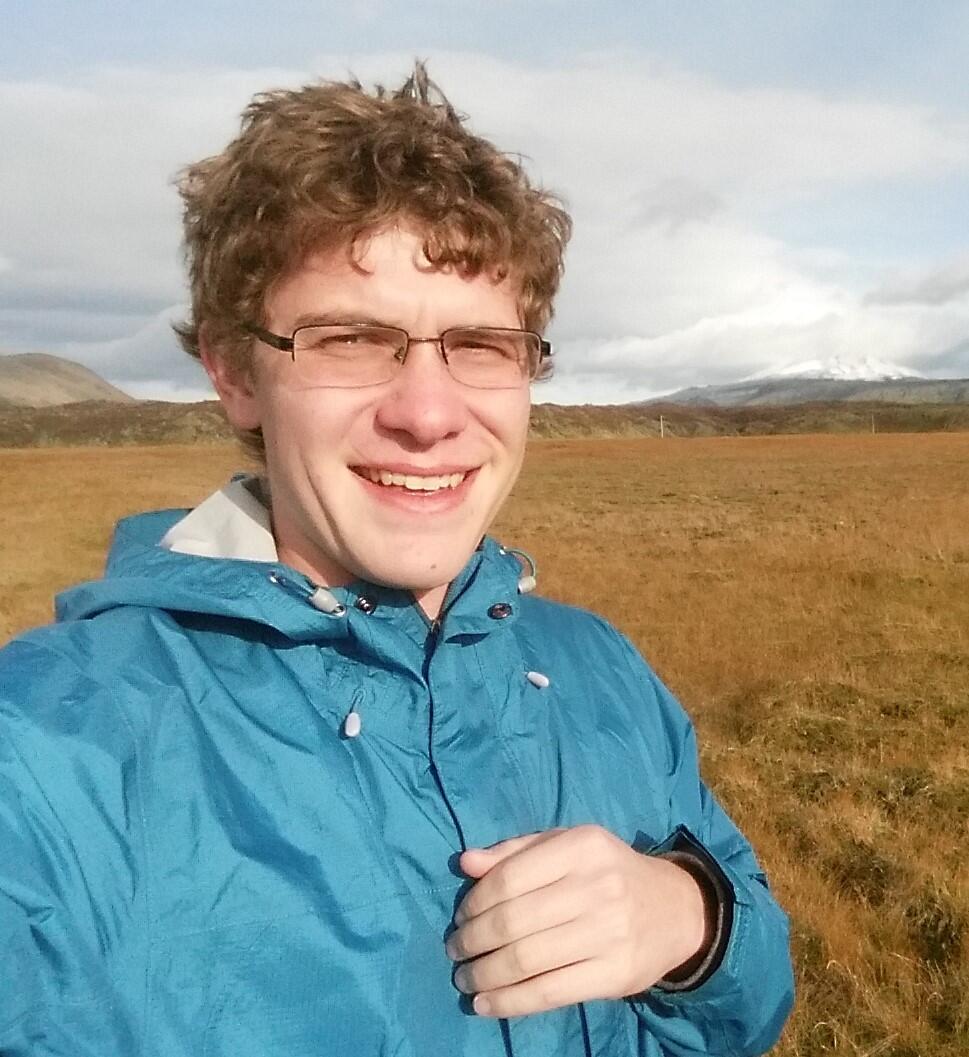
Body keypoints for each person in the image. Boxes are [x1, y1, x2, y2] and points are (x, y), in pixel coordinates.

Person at [0, 64, 793, 1056]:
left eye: (480, 345)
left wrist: (696, 923)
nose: (428, 413)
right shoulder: (42, 750)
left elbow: (747, 1007)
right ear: (234, 373)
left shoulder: (598, 668)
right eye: (351, 339)